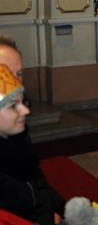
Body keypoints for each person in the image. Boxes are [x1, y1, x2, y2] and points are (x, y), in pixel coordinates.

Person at [0, 62, 64, 223]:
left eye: (23, 102)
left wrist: (63, 210)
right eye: (13, 105)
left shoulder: (17, 145)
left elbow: (39, 187)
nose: (26, 111)